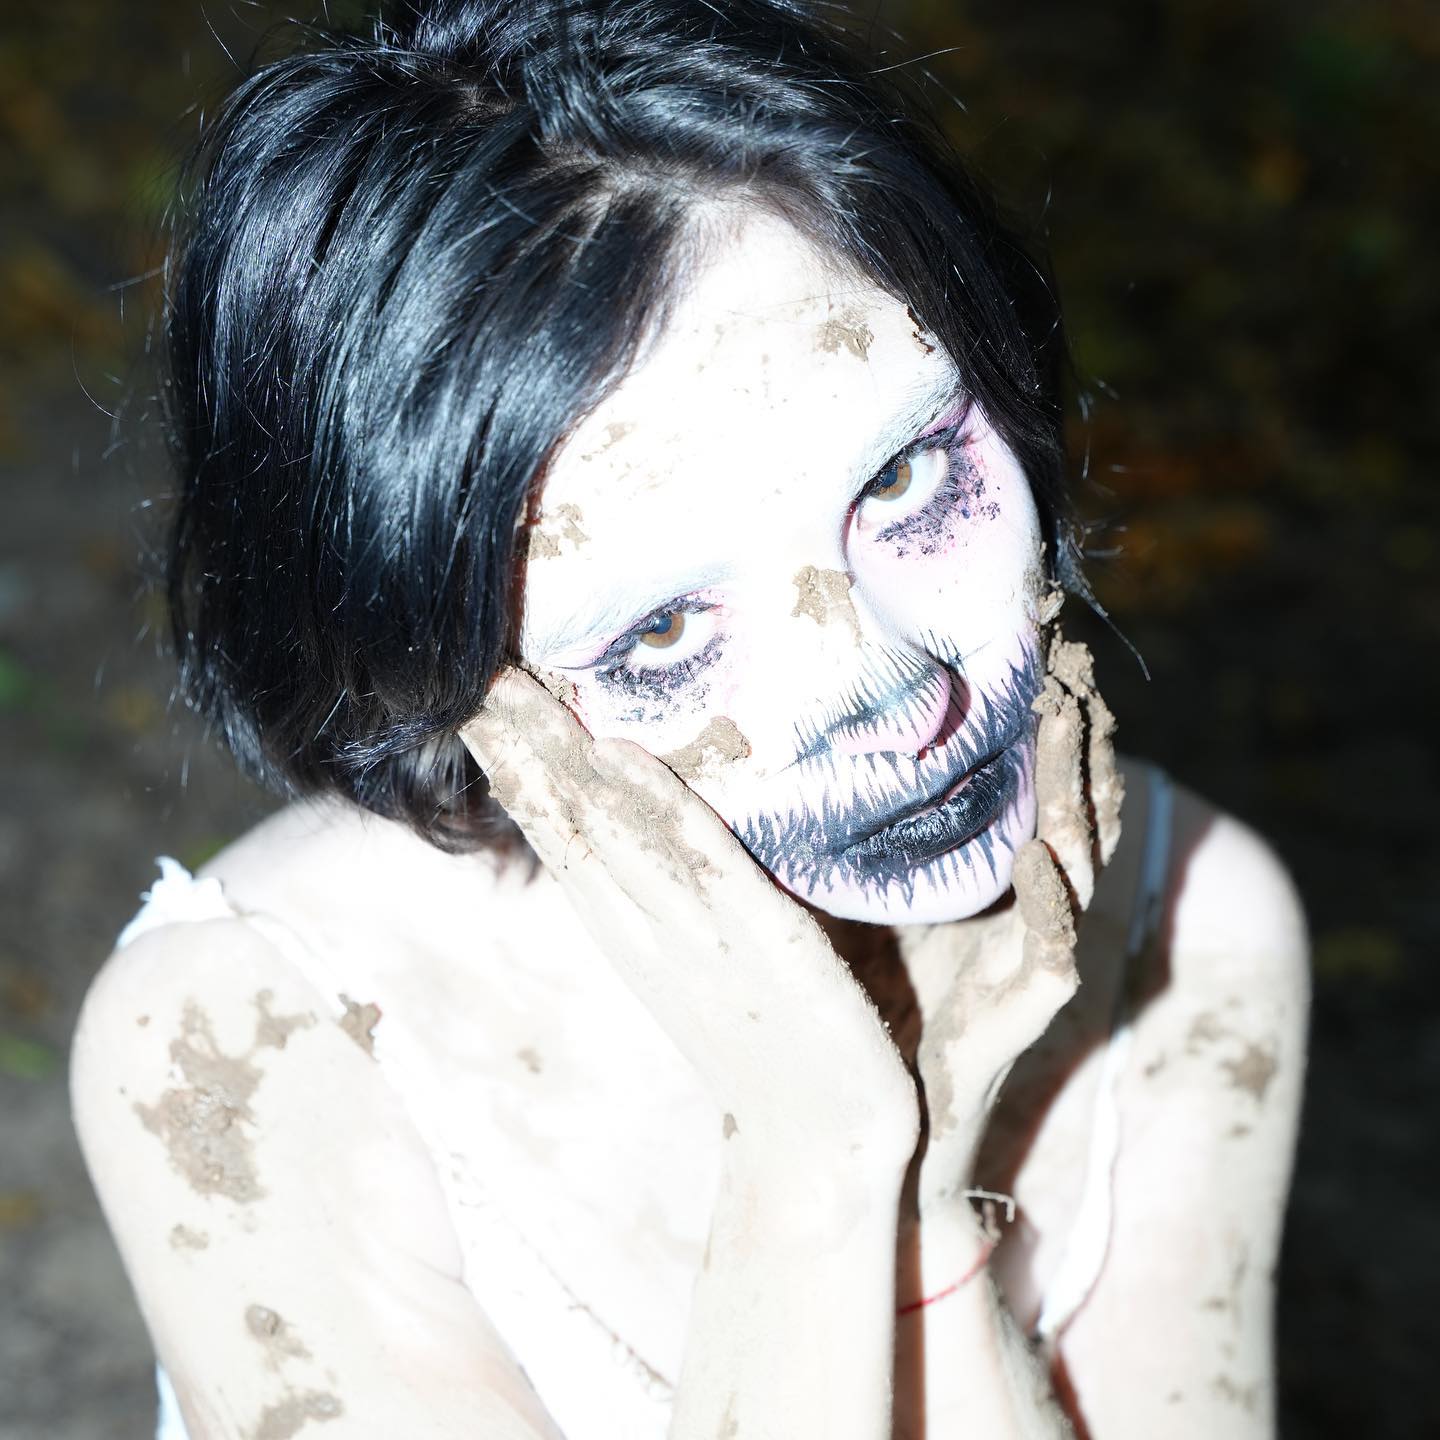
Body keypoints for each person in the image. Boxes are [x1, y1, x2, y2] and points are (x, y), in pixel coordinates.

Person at [68, 1, 1310, 1436]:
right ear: (436, 683)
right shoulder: (242, 1050)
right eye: (661, 633)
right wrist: (814, 1167)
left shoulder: (1189, 930)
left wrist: (930, 1214)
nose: (902, 697)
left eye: (903, 478)